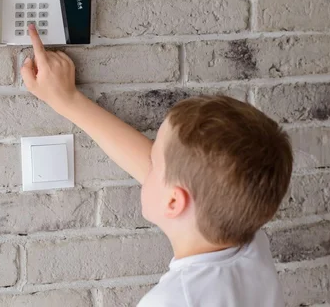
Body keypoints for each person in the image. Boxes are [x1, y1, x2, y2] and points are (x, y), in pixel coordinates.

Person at [20, 24, 293, 306]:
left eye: (154, 159)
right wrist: (68, 100)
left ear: (174, 201)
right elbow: (176, 174)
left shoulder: (172, 301)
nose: (148, 163)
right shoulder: (250, 245)